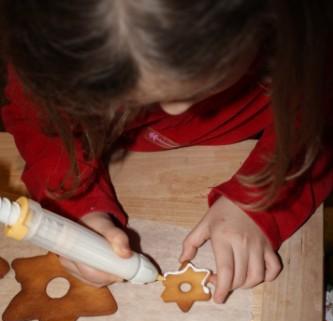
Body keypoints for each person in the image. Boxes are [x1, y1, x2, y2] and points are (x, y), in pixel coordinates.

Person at [0, 0, 332, 303]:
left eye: (204, 81)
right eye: (134, 101)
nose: (177, 111)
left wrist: (262, 201)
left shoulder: (300, 34)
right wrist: (80, 209)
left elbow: (318, 121)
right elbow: (43, 129)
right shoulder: (52, 56)